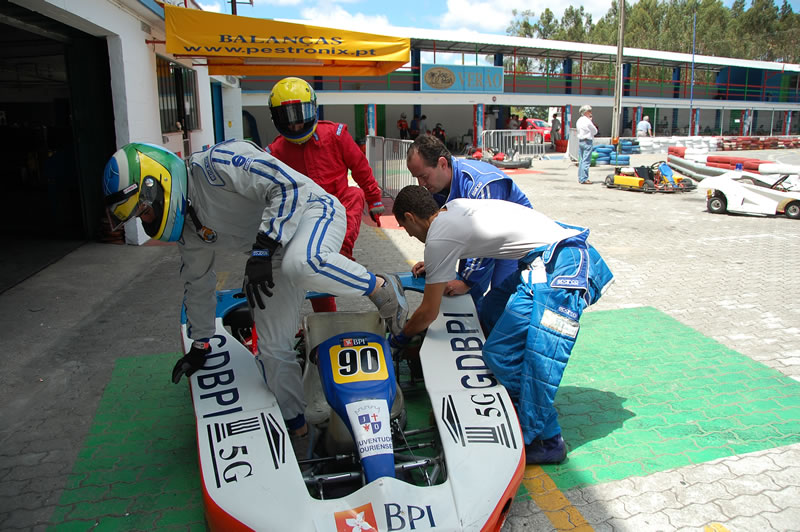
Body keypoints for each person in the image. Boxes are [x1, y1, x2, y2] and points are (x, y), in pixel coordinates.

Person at [102, 140, 409, 461]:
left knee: (302, 263)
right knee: (273, 352)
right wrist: (200, 344)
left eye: (144, 210)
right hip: (270, 251)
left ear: (157, 183)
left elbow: (286, 186)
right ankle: (299, 431)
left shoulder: (215, 164)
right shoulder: (190, 231)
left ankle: (381, 288)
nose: (147, 219)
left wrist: (262, 247)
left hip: (313, 211)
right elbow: (198, 283)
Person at [389, 185, 613, 464]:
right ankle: (513, 394)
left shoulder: (439, 237)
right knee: (492, 310)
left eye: (406, 229)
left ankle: (548, 440)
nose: (410, 236)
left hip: (560, 268)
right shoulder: (455, 208)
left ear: (410, 217)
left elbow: (427, 313)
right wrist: (435, 267)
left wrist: (398, 339)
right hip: (555, 255)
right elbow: (470, 242)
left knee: (516, 356)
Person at [265, 77, 385, 313]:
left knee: (355, 194)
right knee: (310, 271)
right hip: (304, 219)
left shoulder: (336, 135)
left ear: (313, 109)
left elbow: (359, 166)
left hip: (338, 208)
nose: (297, 125)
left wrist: (374, 199)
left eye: (300, 115)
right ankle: (325, 318)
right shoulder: (275, 152)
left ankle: (341, 255)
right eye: (288, 118)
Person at [406, 134, 532, 312]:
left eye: (424, 176)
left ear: (443, 163)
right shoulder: (439, 187)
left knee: (501, 303)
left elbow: (489, 236)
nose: (421, 184)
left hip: (514, 242)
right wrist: (436, 262)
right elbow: (446, 234)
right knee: (463, 294)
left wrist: (467, 282)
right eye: (416, 178)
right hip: (484, 241)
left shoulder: (481, 184)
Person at [576, 105, 598, 185]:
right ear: (586, 112)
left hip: (581, 140)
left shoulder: (579, 120)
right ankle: (584, 178)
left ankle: (580, 177)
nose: (590, 113)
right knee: (586, 161)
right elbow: (595, 131)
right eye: (589, 111)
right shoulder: (587, 121)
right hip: (587, 141)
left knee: (581, 160)